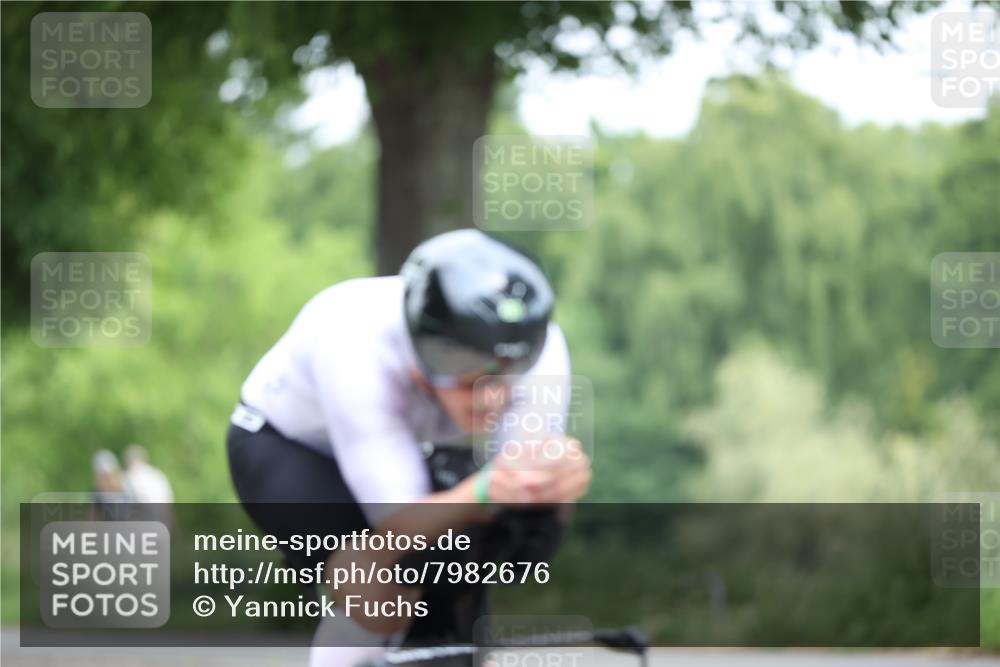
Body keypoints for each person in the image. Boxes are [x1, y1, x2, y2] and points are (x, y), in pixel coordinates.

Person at [227, 229, 591, 666]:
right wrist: (481, 491)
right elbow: (397, 521)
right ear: (421, 355)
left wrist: (549, 486)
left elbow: (519, 497)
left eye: (505, 377)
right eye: (466, 376)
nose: (490, 397)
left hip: (411, 444)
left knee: (459, 566)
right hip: (286, 443)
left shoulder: (541, 351)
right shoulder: (354, 341)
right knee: (377, 588)